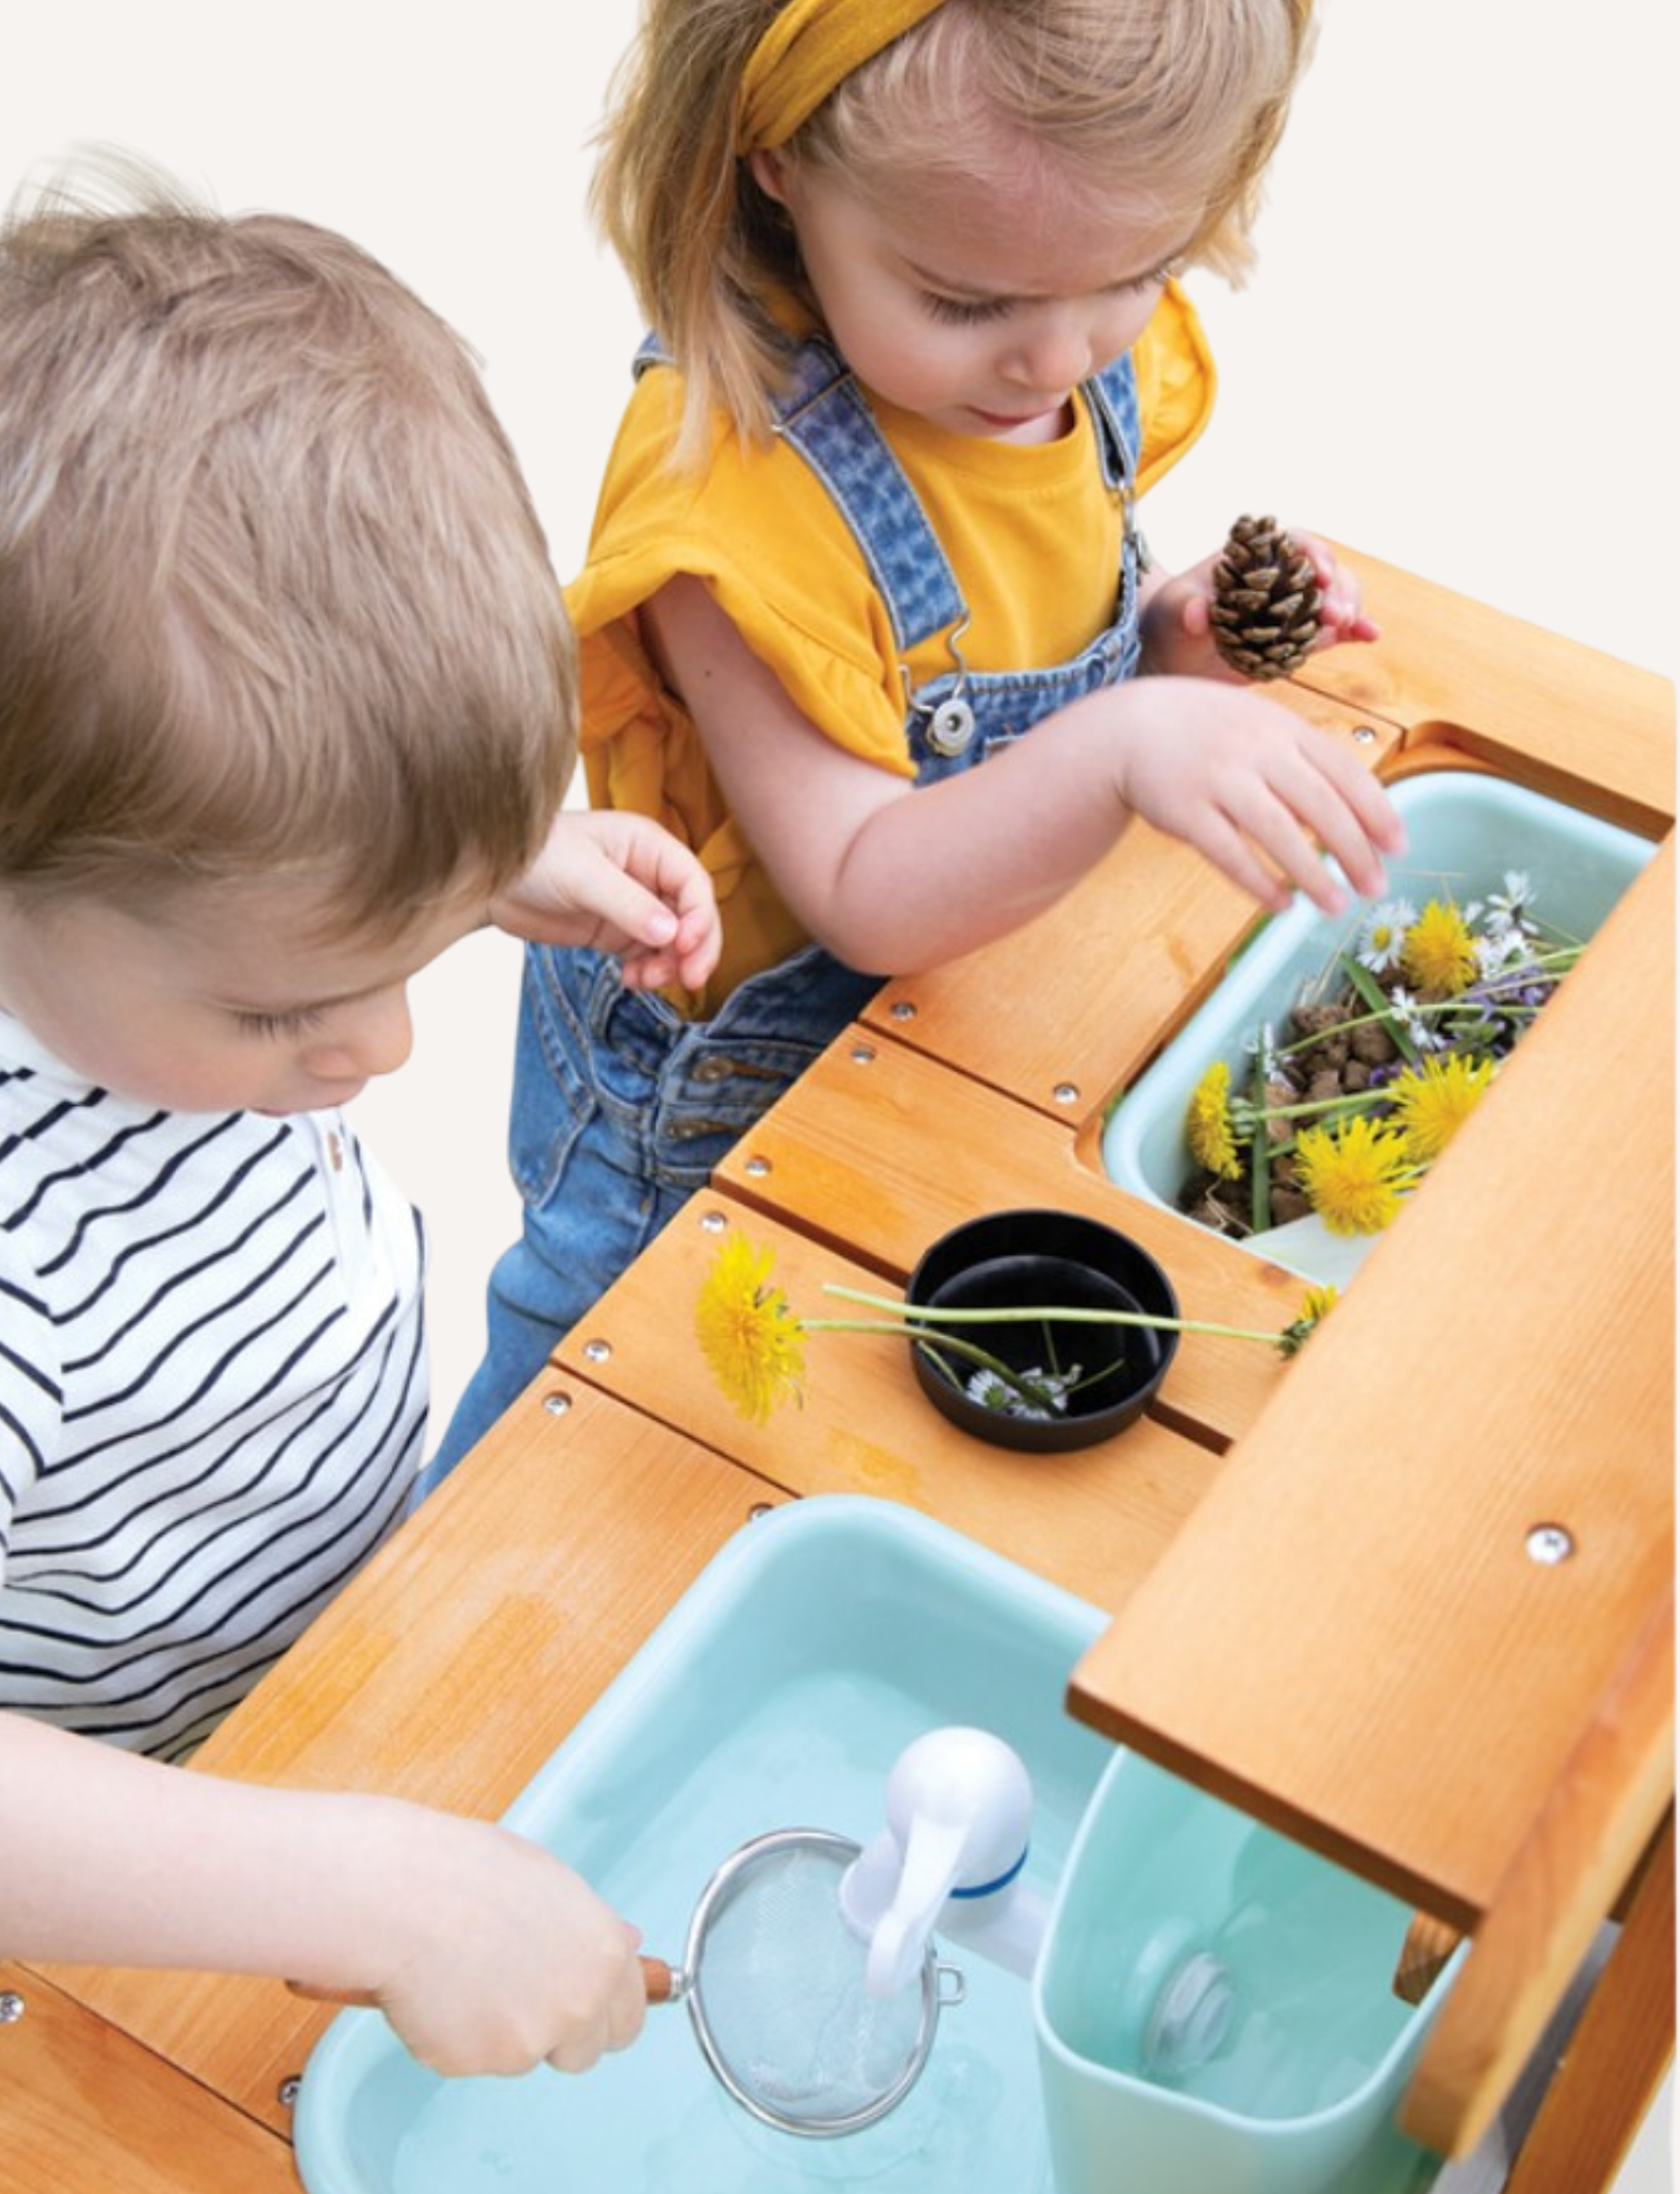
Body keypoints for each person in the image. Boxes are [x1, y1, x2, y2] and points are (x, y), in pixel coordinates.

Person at [430, 0, 1405, 1475]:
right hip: (715, 1096)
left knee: (859, 1416)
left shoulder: (1045, 319)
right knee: (598, 1439)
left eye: (1136, 274)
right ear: (775, 165)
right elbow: (869, 882)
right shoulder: (736, 493)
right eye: (966, 304)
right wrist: (1124, 744)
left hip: (954, 1015)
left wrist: (1177, 649)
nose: (1053, 362)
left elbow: (1030, 667)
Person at [0, 161, 721, 2077]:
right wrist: (366, 1889)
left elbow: (244, 819)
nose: (386, 1046)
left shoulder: (135, 910)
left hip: (355, 1626)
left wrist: (474, 862)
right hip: (143, 1850)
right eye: (286, 1003)